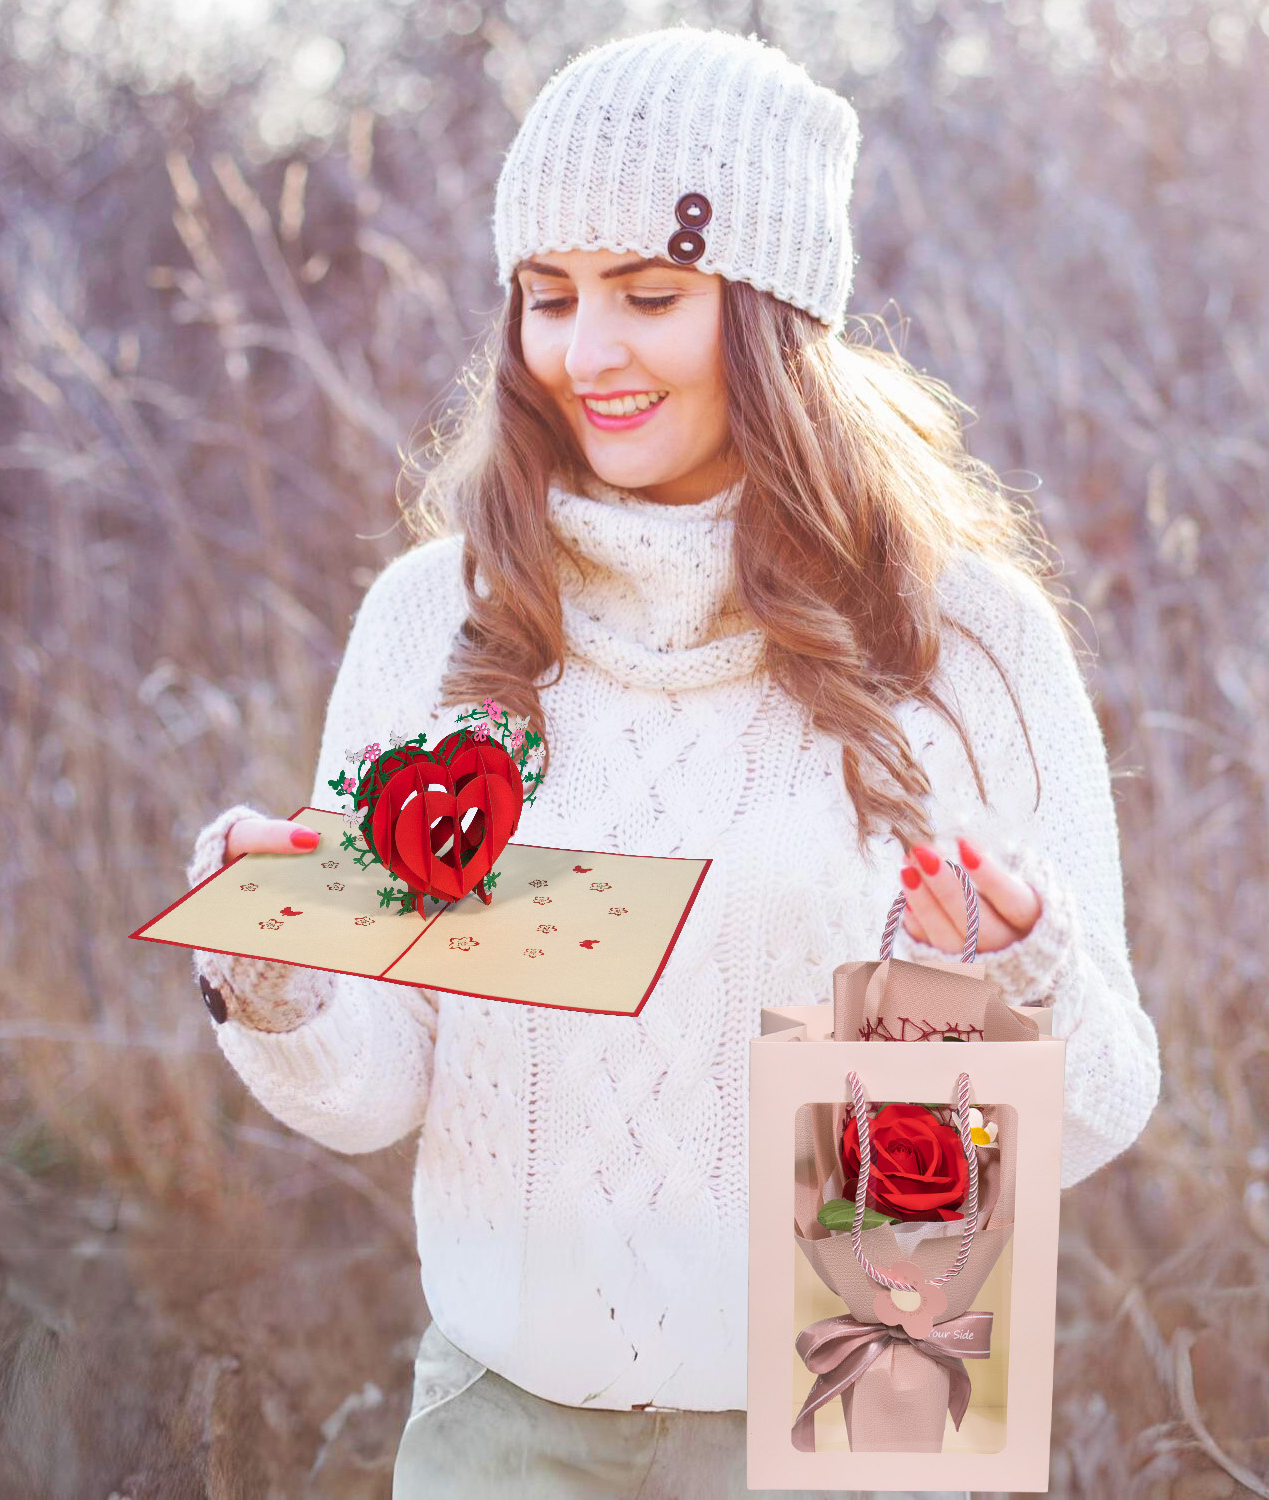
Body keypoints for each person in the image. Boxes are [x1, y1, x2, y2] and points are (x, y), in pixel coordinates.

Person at [184, 24, 1161, 1499]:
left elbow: (1103, 1104)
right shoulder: (435, 622)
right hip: (506, 1434)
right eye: (547, 296)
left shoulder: (964, 643)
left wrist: (1019, 979)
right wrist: (279, 976)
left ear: (771, 315)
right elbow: (376, 1092)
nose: (587, 354)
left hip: (860, 1432)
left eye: (651, 294)